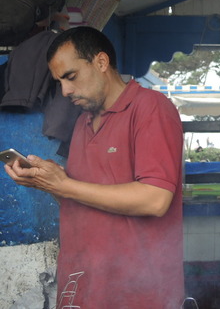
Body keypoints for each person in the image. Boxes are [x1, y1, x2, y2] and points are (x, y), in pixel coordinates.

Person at [3, 26, 185, 309]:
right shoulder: (82, 122)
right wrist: (49, 182)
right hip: (83, 284)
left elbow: (155, 199)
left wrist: (65, 185)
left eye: (71, 77)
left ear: (101, 62)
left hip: (136, 292)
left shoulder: (150, 108)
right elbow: (80, 198)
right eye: (59, 82)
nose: (65, 91)